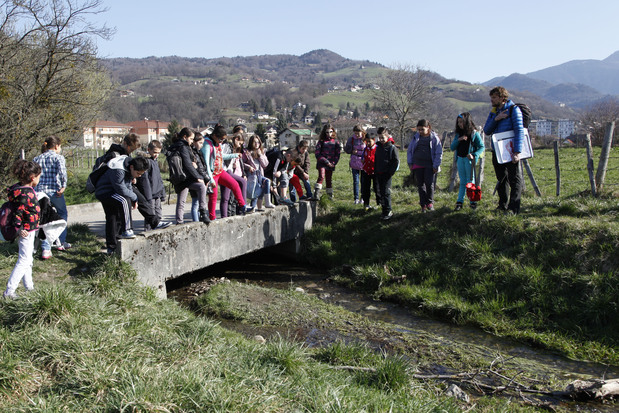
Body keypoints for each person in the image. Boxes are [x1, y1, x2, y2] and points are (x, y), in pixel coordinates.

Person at [97, 133, 164, 230]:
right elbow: (117, 178)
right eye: (131, 149)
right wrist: (133, 196)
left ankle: (154, 222)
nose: (132, 151)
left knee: (139, 200)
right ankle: (117, 239)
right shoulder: (114, 154)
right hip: (112, 187)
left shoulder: (125, 153)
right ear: (125, 144)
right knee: (114, 215)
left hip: (123, 183)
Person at [94, 155, 150, 255]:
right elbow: (121, 189)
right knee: (124, 201)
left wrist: (132, 197)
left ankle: (111, 248)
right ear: (132, 167)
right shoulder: (118, 169)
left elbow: (128, 186)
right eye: (138, 173)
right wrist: (134, 198)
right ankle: (127, 230)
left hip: (112, 191)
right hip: (105, 191)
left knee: (112, 218)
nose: (139, 176)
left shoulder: (128, 168)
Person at [3, 160, 41, 299]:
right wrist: (19, 229)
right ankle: (9, 291)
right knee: (24, 260)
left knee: (27, 259)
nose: (39, 179)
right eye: (38, 176)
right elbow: (18, 213)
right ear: (32, 177)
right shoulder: (26, 194)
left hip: (27, 230)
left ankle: (29, 287)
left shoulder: (18, 190)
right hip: (25, 231)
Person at [483, 86, 525, 214]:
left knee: (514, 178)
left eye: (494, 98)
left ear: (502, 97)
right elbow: (486, 130)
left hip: (511, 150)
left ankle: (514, 207)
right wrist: (496, 118)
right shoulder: (494, 112)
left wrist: (517, 151)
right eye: (491, 98)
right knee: (501, 178)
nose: (492, 100)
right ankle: (502, 205)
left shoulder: (514, 110)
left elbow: (519, 131)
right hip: (497, 150)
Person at [201, 124, 252, 221]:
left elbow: (221, 156)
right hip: (213, 174)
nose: (221, 142)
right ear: (215, 136)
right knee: (213, 196)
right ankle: (212, 218)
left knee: (235, 184)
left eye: (223, 140)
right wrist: (210, 179)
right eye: (220, 139)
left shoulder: (218, 143)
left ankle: (242, 206)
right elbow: (207, 163)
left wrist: (234, 155)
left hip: (220, 171)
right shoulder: (207, 145)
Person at [34, 136, 70, 260]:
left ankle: (44, 246)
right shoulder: (58, 157)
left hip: (39, 193)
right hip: (55, 192)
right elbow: (62, 172)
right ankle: (60, 240)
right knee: (62, 213)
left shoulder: (37, 158)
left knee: (43, 218)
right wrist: (63, 186)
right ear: (56, 146)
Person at [168, 127, 210, 225]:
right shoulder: (183, 147)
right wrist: (198, 177)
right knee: (201, 187)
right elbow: (187, 164)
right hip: (186, 177)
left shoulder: (174, 146)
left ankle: (179, 221)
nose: (191, 141)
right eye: (191, 139)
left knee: (181, 201)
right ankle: (203, 213)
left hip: (178, 177)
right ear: (185, 137)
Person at [450, 113, 485, 210]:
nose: (460, 124)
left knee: (470, 182)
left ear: (467, 122)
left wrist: (474, 155)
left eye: (461, 122)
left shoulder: (474, 134)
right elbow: (452, 147)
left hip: (470, 161)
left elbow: (481, 147)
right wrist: (459, 140)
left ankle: (472, 202)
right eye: (458, 123)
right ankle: (459, 202)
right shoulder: (458, 134)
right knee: (462, 182)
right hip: (460, 159)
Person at [407, 120, 443, 212]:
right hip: (418, 164)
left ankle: (430, 202)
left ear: (428, 128)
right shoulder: (416, 138)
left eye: (422, 129)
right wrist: (410, 163)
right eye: (418, 130)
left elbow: (438, 153)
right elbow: (410, 151)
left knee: (429, 183)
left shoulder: (434, 138)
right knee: (420, 185)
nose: (420, 132)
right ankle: (422, 204)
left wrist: (436, 165)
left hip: (429, 165)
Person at [135, 140, 171, 229]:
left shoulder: (155, 161)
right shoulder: (146, 162)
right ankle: (149, 232)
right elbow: (145, 181)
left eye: (158, 153)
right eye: (155, 152)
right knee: (150, 215)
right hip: (150, 194)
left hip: (157, 193)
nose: (156, 155)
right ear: (149, 150)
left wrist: (162, 193)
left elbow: (158, 179)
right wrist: (148, 197)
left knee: (158, 213)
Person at [243, 134, 275, 210]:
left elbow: (265, 165)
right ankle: (253, 208)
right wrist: (249, 167)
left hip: (260, 175)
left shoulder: (261, 152)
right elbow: (241, 163)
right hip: (251, 175)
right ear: (251, 143)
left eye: (258, 142)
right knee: (255, 190)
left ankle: (265, 204)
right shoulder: (246, 152)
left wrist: (260, 155)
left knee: (263, 185)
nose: (257, 144)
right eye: (255, 142)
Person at [220, 132, 248, 217]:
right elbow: (222, 156)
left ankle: (226, 215)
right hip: (225, 171)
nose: (240, 146)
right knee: (242, 182)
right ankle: (243, 206)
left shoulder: (234, 148)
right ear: (236, 139)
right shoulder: (227, 146)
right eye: (239, 143)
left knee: (226, 197)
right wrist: (234, 155)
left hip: (230, 170)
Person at [374, 128, 399, 220]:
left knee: (386, 192)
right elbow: (376, 160)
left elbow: (395, 161)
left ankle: (388, 210)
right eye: (379, 138)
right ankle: (384, 211)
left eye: (382, 138)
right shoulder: (378, 147)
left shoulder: (392, 147)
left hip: (387, 174)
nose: (381, 140)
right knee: (380, 192)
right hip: (379, 173)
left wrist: (390, 172)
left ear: (387, 136)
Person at [314, 123, 341, 200]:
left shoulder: (336, 142)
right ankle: (316, 193)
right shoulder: (321, 141)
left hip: (331, 163)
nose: (329, 134)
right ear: (324, 132)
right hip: (322, 163)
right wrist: (326, 162)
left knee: (329, 179)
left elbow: (337, 154)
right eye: (327, 132)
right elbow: (317, 154)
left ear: (333, 132)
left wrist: (333, 163)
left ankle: (329, 196)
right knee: (321, 176)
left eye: (330, 131)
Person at [344, 124, 366, 204]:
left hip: (364, 163)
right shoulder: (351, 139)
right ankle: (356, 198)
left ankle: (363, 198)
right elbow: (347, 149)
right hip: (354, 162)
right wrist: (351, 151)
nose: (356, 135)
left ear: (362, 132)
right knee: (356, 181)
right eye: (355, 133)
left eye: (358, 133)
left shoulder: (365, 139)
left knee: (363, 181)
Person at [360, 133, 379, 211]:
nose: (367, 143)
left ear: (374, 140)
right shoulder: (365, 149)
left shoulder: (377, 148)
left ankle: (379, 204)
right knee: (365, 189)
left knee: (377, 188)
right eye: (366, 142)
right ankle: (366, 204)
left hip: (375, 172)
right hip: (366, 171)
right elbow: (363, 156)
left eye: (369, 142)